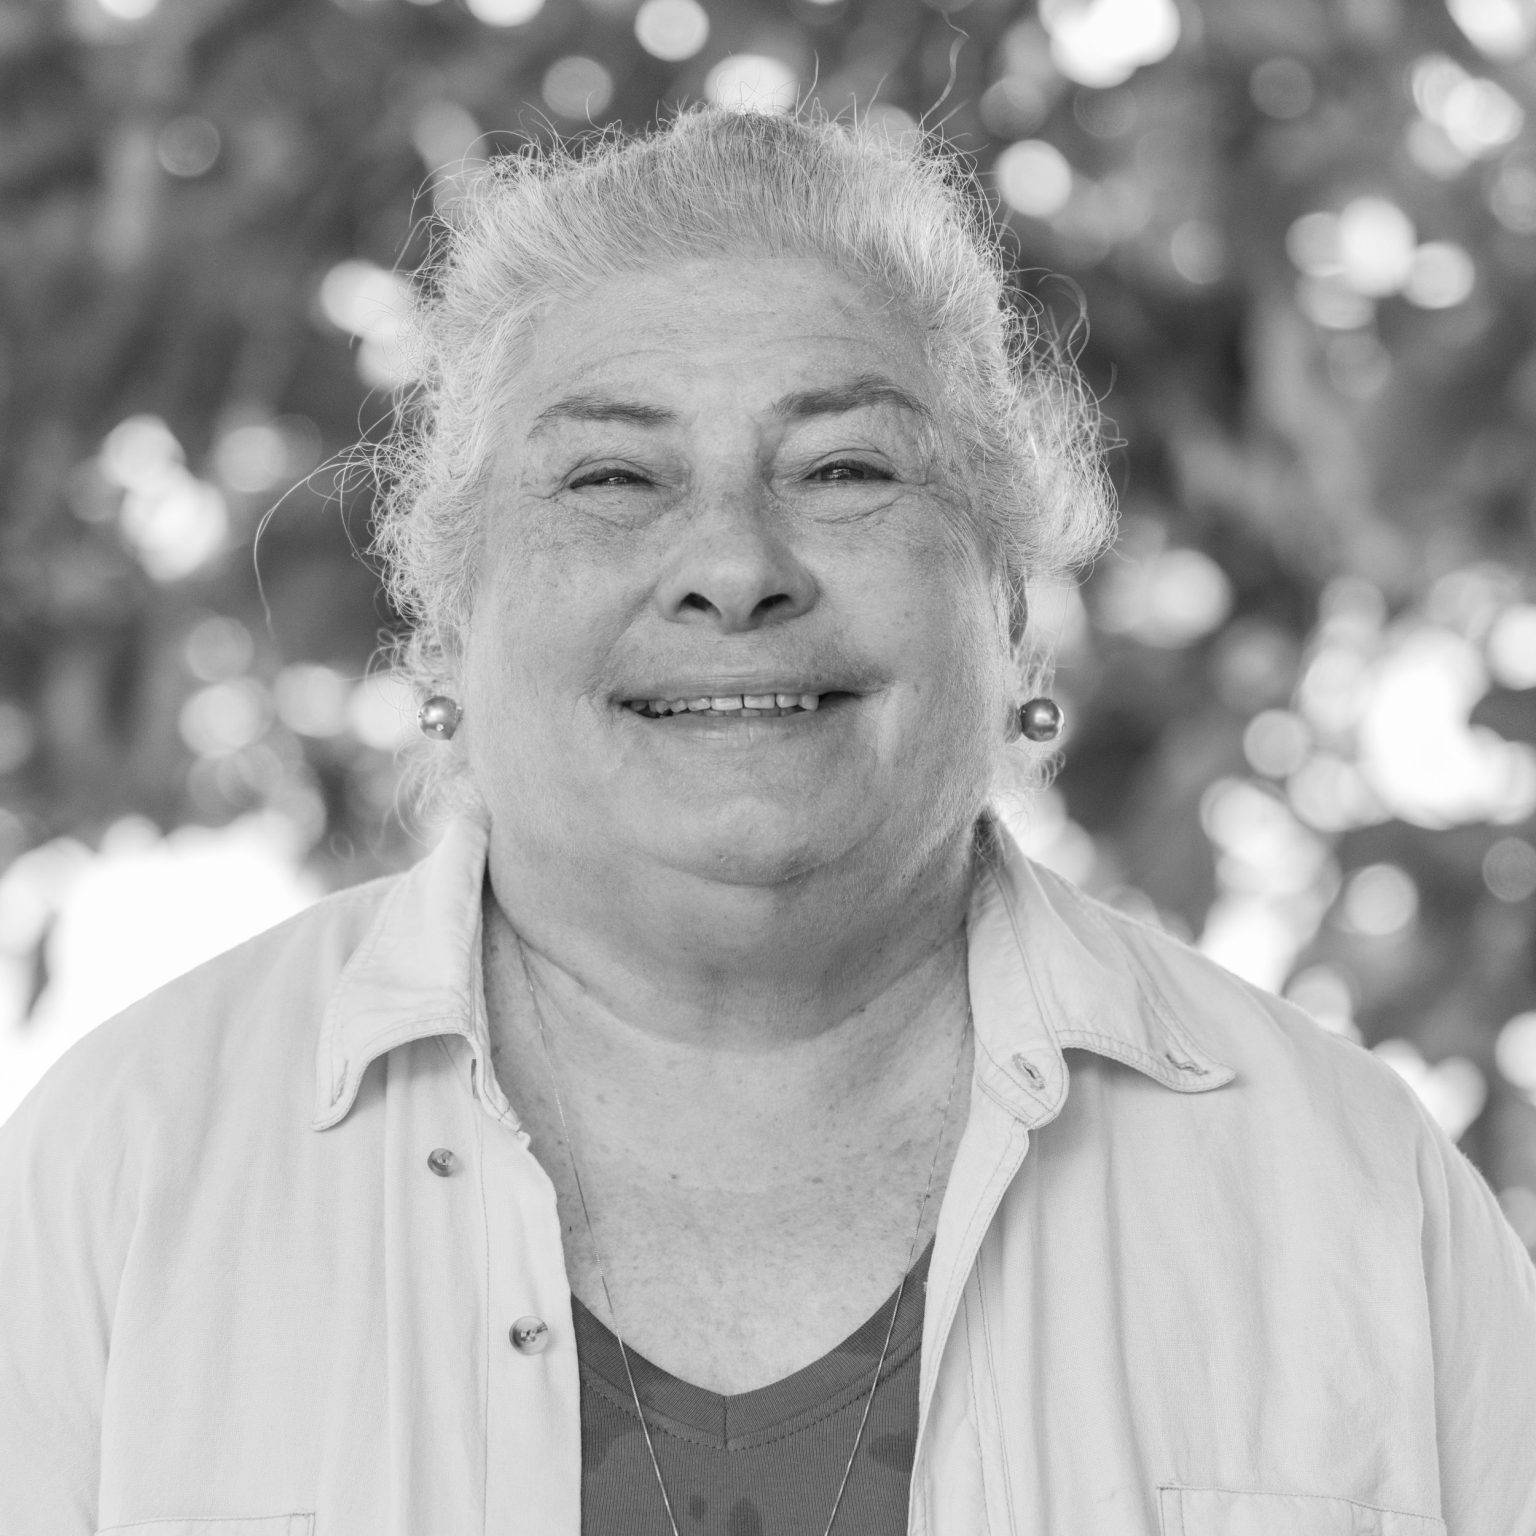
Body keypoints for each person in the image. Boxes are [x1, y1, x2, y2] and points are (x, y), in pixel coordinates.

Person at [2, 105, 1533, 1536]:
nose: (734, 568)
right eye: (612, 475)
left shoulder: (1350, 1195)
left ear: (1007, 606)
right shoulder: (127, 1171)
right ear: (449, 628)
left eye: (844, 467)